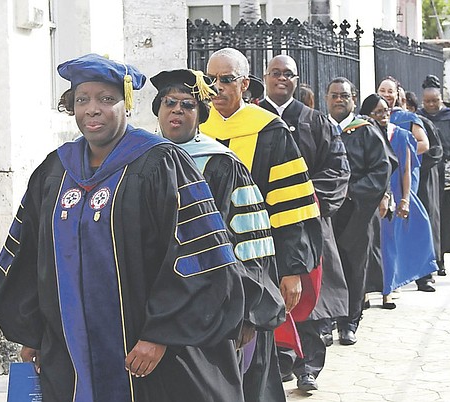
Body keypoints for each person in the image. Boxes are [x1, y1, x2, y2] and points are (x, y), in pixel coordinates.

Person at [0, 54, 246, 401]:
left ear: (126, 104)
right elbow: (28, 256)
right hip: (68, 351)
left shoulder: (162, 164)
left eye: (106, 99)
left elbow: (200, 257)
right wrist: (32, 333)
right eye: (83, 100)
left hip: (145, 354)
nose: (92, 109)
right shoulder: (55, 171)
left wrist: (160, 334)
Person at [149, 68, 287, 393]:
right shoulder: (140, 161)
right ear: (158, 109)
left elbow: (251, 242)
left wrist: (250, 313)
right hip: (154, 308)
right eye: (169, 102)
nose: (177, 110)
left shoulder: (222, 164)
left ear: (201, 115)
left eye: (187, 104)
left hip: (211, 306)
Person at [200, 47, 322, 402]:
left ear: (244, 83)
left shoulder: (269, 131)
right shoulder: (197, 131)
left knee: (256, 356)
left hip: (257, 263)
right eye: (210, 80)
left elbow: (291, 207)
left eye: (226, 79)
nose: (217, 87)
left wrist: (292, 269)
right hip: (207, 267)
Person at [259, 55, 350, 392]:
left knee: (311, 297)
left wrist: (306, 197)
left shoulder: (317, 121)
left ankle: (308, 367)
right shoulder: (251, 120)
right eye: (275, 73)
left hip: (307, 223)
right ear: (264, 77)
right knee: (266, 294)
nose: (282, 79)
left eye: (289, 74)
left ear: (297, 80)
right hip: (263, 224)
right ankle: (277, 361)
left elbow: (338, 169)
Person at [326, 77, 394, 345]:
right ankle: (329, 318)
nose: (339, 100)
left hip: (357, 210)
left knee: (355, 266)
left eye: (344, 95)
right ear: (326, 98)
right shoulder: (320, 127)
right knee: (330, 267)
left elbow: (382, 168)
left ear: (353, 98)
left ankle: (349, 321)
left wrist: (353, 191)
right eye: (334, 95)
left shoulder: (366, 129)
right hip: (328, 210)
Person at [360, 94, 438, 306]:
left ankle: (388, 290)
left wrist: (405, 199)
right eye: (378, 112)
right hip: (369, 195)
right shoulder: (361, 133)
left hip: (393, 194)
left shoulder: (401, 135)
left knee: (389, 244)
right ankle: (365, 292)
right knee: (369, 244)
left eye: (386, 111)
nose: (384, 116)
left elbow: (406, 169)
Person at [418, 76, 450, 278]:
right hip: (427, 176)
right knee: (429, 219)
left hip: (448, 176)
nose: (431, 105)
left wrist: (444, 148)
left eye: (435, 101)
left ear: (441, 99)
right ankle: (432, 259)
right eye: (428, 101)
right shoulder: (418, 119)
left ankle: (442, 258)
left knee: (447, 218)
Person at [400, 90, 444, 288]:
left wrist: (403, 154)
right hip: (388, 179)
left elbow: (431, 148)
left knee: (418, 226)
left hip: (418, 178)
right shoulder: (374, 118)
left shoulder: (415, 121)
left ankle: (423, 274)